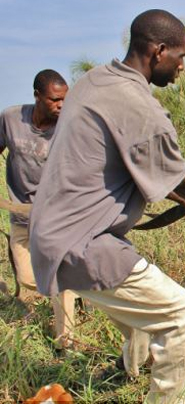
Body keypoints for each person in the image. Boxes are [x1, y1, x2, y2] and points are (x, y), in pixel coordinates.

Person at [29, 9, 185, 404]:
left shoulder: (96, 80)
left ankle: (128, 366)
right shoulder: (139, 107)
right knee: (181, 314)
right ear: (159, 51)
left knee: (145, 300)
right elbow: (179, 181)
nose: (183, 67)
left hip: (57, 230)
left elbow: (147, 169)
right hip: (80, 242)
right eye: (180, 57)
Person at [0, 69, 76, 349]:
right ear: (37, 97)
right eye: (55, 100)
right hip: (20, 215)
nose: (61, 106)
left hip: (55, 217)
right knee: (26, 281)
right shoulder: (10, 118)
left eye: (65, 100)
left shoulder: (68, 127)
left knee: (60, 281)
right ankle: (31, 335)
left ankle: (65, 342)